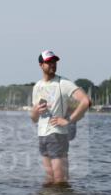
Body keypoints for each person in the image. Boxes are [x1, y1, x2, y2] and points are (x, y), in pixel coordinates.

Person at [30, 50, 91, 186]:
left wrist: (69, 121)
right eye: (49, 62)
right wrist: (35, 111)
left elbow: (86, 101)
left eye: (54, 61)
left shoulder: (63, 83)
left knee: (60, 181)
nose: (53, 64)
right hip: (42, 136)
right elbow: (34, 119)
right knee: (49, 181)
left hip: (57, 135)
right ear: (41, 65)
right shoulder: (37, 87)